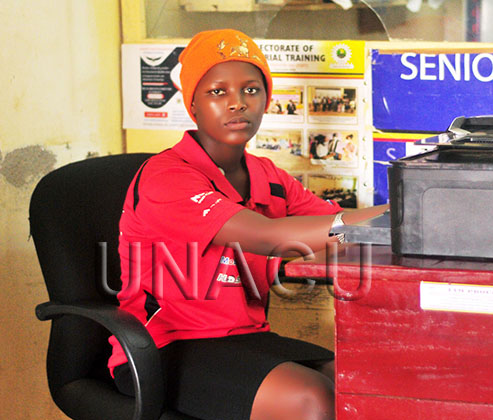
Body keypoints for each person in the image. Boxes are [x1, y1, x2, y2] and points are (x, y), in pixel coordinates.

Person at [108, 29, 388, 420]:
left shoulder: (267, 175)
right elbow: (269, 237)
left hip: (246, 338)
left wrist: (406, 215)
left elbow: (331, 230)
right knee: (313, 401)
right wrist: (398, 214)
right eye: (217, 92)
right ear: (192, 103)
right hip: (161, 348)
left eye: (251, 90)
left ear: (266, 99)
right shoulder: (166, 176)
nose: (237, 103)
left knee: (366, 386)